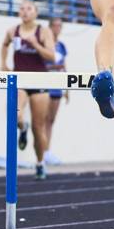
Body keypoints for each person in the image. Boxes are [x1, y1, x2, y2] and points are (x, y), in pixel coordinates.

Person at [0, 0, 58, 179]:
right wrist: (3, 63)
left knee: (38, 127)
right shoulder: (13, 31)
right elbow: (4, 44)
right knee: (15, 113)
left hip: (39, 81)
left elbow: (52, 57)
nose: (24, 12)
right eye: (21, 9)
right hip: (20, 80)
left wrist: (35, 45)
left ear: (35, 12)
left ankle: (40, 163)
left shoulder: (44, 31)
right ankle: (21, 126)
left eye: (28, 9)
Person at [44, 17, 69, 163]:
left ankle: (47, 151)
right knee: (44, 119)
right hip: (46, 84)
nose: (58, 28)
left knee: (51, 120)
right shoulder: (46, 45)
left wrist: (67, 89)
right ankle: (42, 151)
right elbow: (40, 65)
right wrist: (53, 68)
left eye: (60, 26)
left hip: (58, 85)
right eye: (55, 25)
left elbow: (64, 66)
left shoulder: (61, 46)